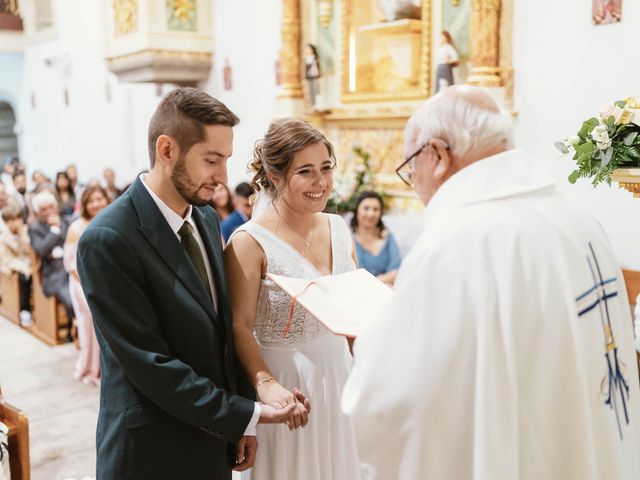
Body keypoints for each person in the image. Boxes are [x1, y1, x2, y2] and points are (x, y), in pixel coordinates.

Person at [341, 85, 640, 479]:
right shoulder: (576, 217)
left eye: (410, 166)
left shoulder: (457, 246)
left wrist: (366, 344)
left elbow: (392, 403)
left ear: (438, 155)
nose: (413, 181)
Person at [76, 87, 298, 479]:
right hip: (151, 453)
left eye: (226, 160)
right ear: (167, 151)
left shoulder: (206, 218)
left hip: (212, 442)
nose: (224, 177)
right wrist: (248, 413)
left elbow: (221, 329)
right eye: (211, 160)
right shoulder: (109, 239)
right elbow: (151, 364)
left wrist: (238, 423)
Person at [225, 118, 362, 480]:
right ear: (275, 175)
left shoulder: (338, 227)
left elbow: (353, 303)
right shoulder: (248, 241)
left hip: (338, 372)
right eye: (306, 171)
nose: (321, 183)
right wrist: (265, 384)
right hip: (284, 379)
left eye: (326, 168)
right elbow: (238, 324)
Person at [63, 185, 110, 386]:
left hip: (107, 279)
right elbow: (70, 264)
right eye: (91, 201)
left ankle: (111, 366)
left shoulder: (112, 219)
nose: (96, 204)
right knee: (93, 316)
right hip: (81, 281)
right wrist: (93, 283)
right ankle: (93, 368)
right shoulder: (77, 227)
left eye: (99, 199)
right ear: (84, 205)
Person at [28, 190, 75, 338]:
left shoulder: (68, 221)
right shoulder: (35, 228)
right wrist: (54, 230)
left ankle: (76, 328)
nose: (49, 211)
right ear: (37, 212)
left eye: (51, 207)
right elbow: (42, 249)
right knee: (70, 298)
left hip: (73, 268)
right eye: (43, 209)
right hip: (55, 275)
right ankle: (74, 329)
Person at [351, 191, 401, 286]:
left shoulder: (387, 237)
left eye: (375, 209)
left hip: (386, 289)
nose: (371, 214)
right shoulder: (348, 238)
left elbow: (396, 270)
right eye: (366, 208)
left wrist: (375, 283)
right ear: (357, 210)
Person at [0, 204, 33, 327]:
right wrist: (23, 266)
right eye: (11, 220)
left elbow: (30, 251)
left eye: (18, 219)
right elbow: (7, 260)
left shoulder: (26, 231)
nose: (15, 223)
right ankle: (25, 310)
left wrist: (22, 235)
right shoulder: (3, 238)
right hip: (13, 268)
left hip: (29, 264)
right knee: (23, 278)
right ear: (6, 222)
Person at [304, 44, 321, 108]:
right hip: (309, 77)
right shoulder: (306, 59)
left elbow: (318, 69)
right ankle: (312, 104)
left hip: (315, 77)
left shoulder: (315, 59)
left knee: (316, 91)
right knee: (310, 91)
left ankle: (317, 105)